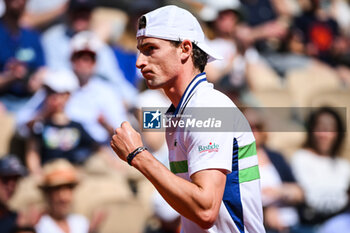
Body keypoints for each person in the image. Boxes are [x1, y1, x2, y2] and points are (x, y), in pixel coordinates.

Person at [110, 5, 265, 233]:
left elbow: (205, 211)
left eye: (150, 49)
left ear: (185, 49)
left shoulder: (206, 108)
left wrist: (137, 155)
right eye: (140, 50)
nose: (139, 62)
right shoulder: (179, 110)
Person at [25, 70, 98, 175]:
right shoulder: (39, 124)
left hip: (70, 172)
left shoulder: (76, 125)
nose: (53, 97)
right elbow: (32, 151)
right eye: (50, 92)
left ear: (67, 96)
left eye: (57, 93)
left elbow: (95, 147)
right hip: (47, 172)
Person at [291, 107, 350, 233]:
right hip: (309, 225)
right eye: (320, 129)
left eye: (330, 130)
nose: (324, 135)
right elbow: (310, 196)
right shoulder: (301, 158)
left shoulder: (344, 166)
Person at [0, 0, 46, 112]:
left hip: (28, 101)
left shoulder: (32, 35)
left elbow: (42, 71)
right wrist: (10, 76)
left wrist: (34, 81)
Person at [35, 159, 89, 233]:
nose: (63, 198)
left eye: (68, 188)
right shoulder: (39, 225)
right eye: (57, 189)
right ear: (47, 193)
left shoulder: (81, 223)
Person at [0, 154, 37, 233]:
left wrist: (25, 228)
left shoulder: (15, 219)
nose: (10, 186)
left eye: (15, 180)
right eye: (5, 179)